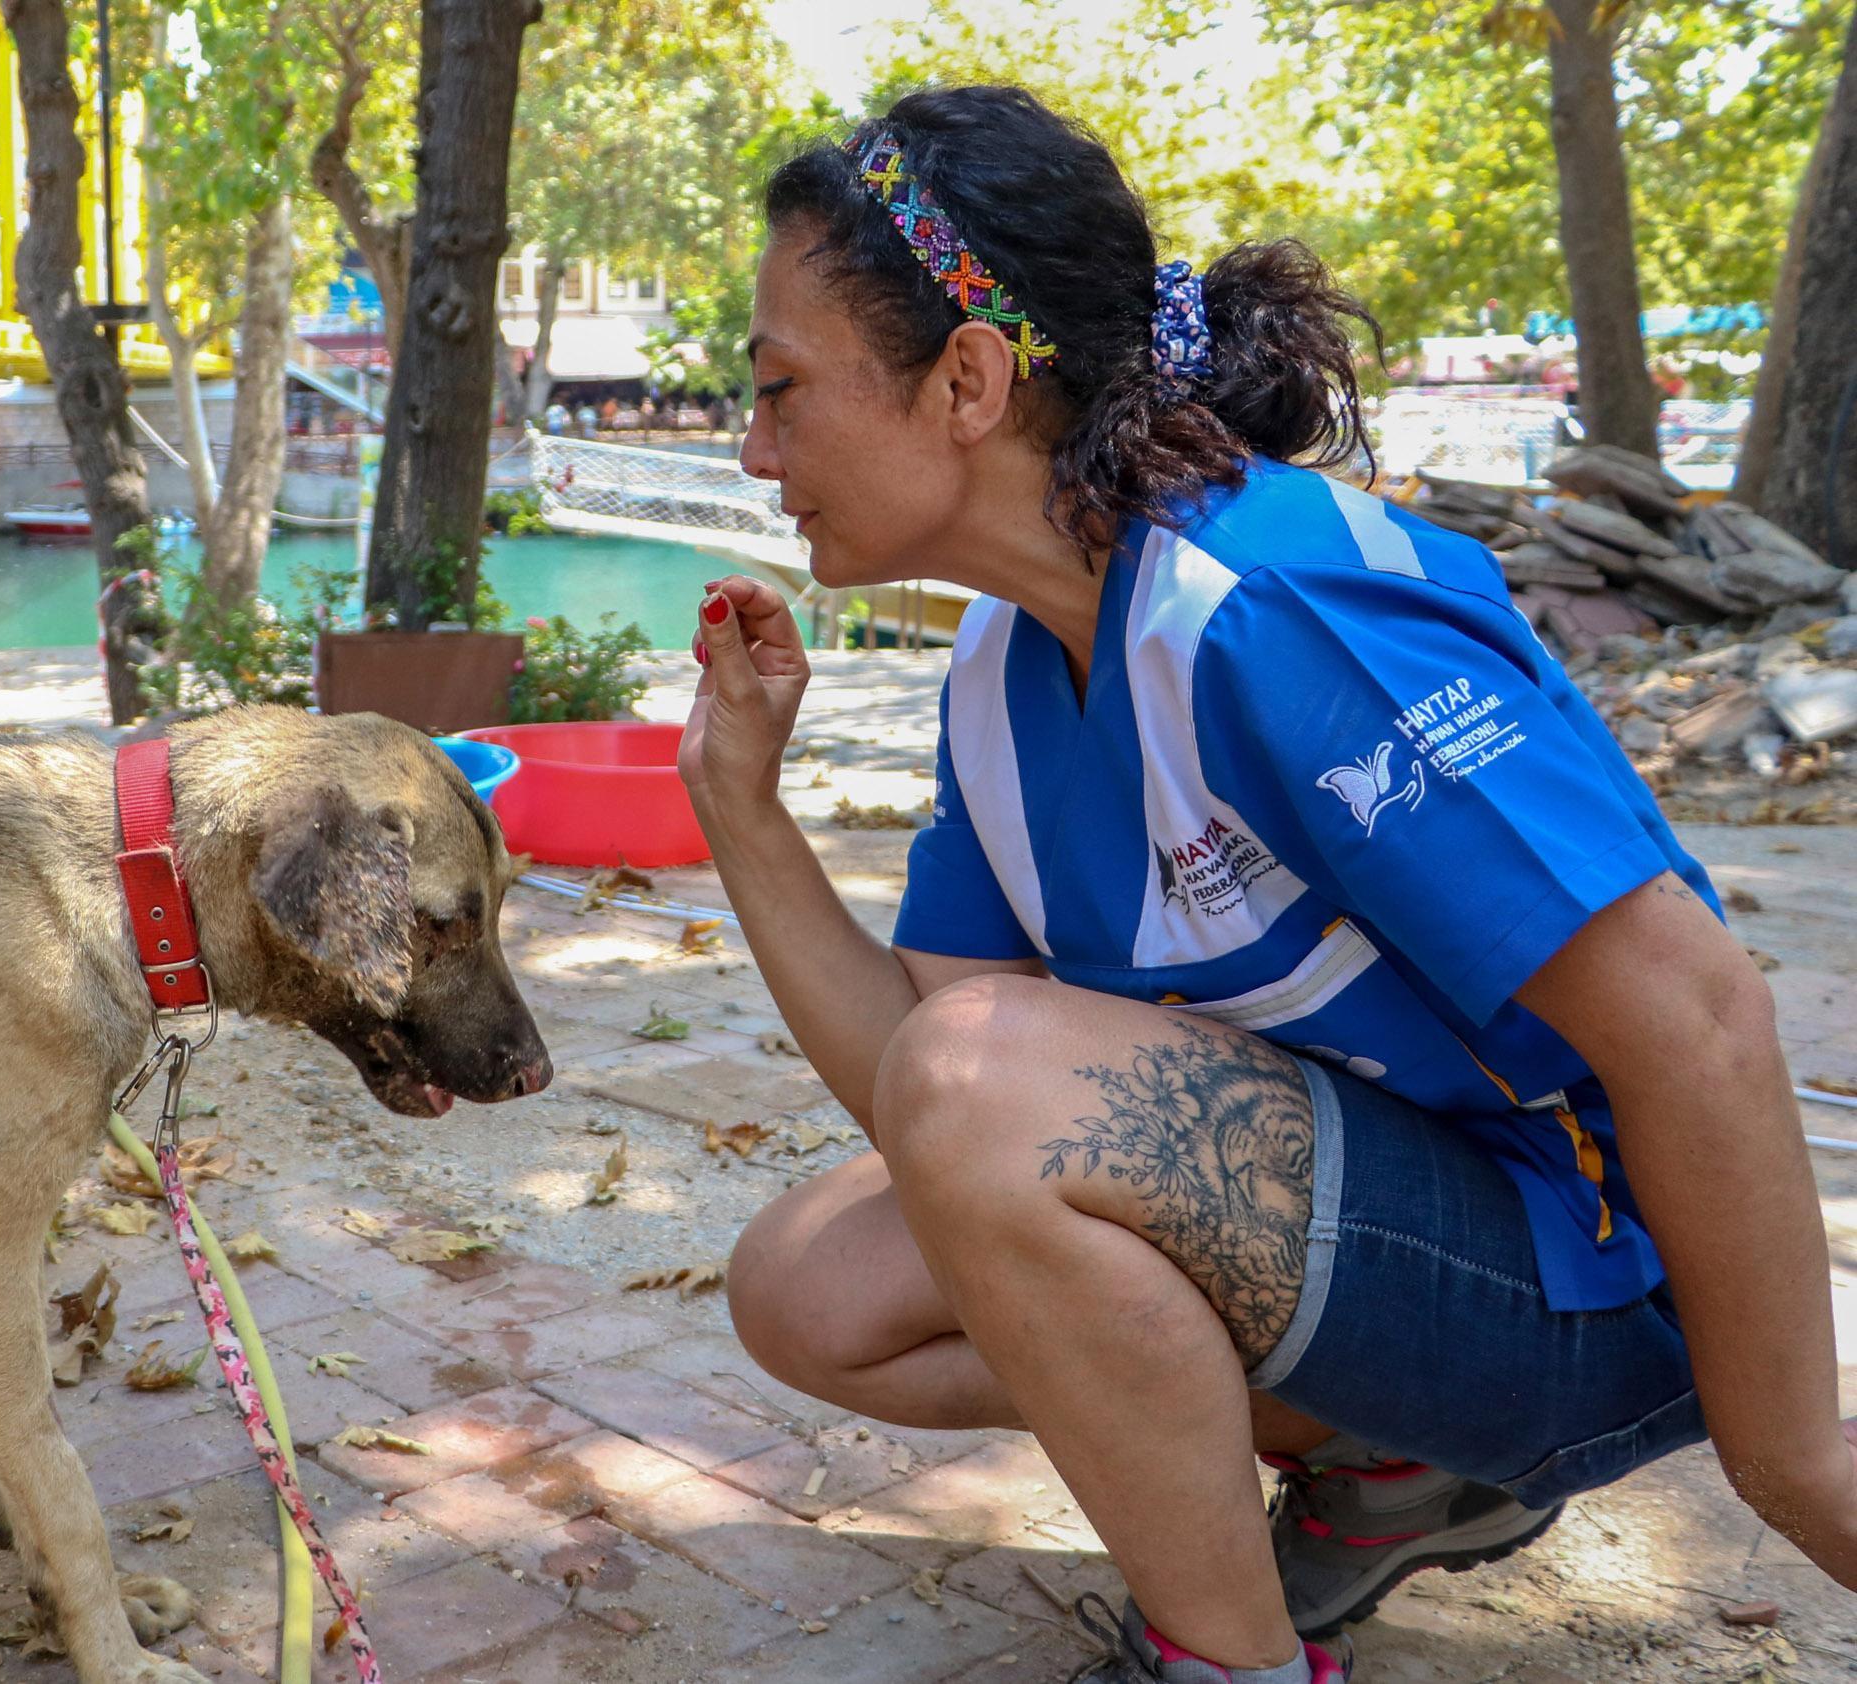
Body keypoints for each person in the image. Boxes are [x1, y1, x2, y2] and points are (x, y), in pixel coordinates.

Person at [682, 85, 1857, 1684]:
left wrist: (1795, 1463)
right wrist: (740, 813)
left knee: (984, 1082)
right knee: (811, 1288)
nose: (757, 452)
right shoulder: (1003, 669)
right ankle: (1398, 1470)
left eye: (779, 391)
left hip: (1607, 1289)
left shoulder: (1269, 608)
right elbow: (934, 1110)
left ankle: (1228, 1660)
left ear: (965, 377)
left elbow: (1703, 1022)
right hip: (1407, 1249)